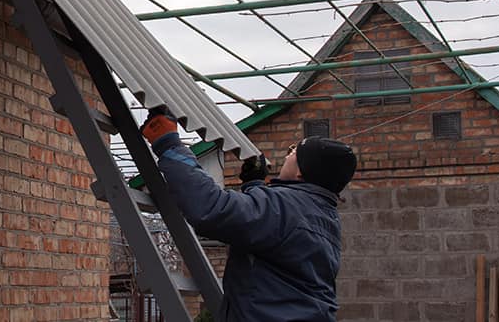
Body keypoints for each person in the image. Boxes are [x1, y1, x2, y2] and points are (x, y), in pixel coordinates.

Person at [140, 114, 357, 322]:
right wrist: (254, 185)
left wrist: (169, 145)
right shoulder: (320, 213)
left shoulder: (286, 208)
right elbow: (268, 233)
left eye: (294, 152)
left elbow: (211, 209)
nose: (287, 154)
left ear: (302, 171)